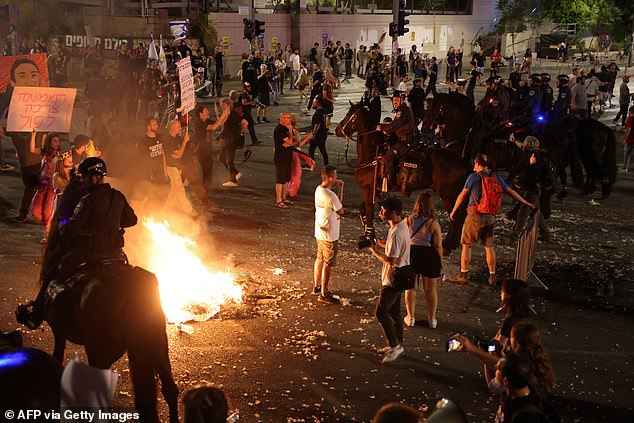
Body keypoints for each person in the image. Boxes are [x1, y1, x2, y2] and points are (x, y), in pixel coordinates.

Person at [448, 154, 535, 286]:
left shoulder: (473, 177)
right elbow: (511, 191)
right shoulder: (496, 177)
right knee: (489, 247)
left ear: (477, 163)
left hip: (475, 216)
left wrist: (454, 211)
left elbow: (463, 195)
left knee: (466, 245)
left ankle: (463, 275)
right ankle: (492, 276)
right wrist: (526, 202)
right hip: (490, 217)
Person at [61, 157, 137, 274]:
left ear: (96, 177)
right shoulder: (118, 196)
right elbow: (132, 220)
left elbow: (71, 230)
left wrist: (63, 226)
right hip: (116, 254)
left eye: (85, 177)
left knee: (62, 268)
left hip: (90, 254)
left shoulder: (88, 200)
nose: (83, 181)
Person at [367, 196, 410, 364]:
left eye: (383, 210)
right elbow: (395, 248)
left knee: (381, 312)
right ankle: (398, 344)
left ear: (392, 212)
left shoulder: (397, 232)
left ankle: (395, 346)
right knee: (395, 312)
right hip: (402, 275)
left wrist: (372, 250)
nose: (380, 212)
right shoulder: (401, 226)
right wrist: (380, 243)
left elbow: (390, 260)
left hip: (393, 278)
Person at [403, 192, 443, 329]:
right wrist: (440, 263)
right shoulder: (433, 224)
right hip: (428, 256)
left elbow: (402, 238)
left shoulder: (408, 220)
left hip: (411, 254)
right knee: (430, 290)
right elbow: (438, 246)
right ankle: (432, 319)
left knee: (411, 288)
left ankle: (410, 317)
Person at [313, 165, 344, 304]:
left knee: (319, 258)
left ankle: (316, 287)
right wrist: (341, 189)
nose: (337, 178)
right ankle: (324, 294)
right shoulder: (331, 196)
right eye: (335, 176)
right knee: (328, 263)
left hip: (320, 231)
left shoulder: (319, 190)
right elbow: (340, 210)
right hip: (330, 234)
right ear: (331, 178)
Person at [377, 92, 416, 187]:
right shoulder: (401, 110)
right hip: (403, 139)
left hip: (405, 141)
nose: (395, 102)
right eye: (394, 100)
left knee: (389, 157)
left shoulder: (402, 111)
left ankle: (392, 182)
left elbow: (396, 124)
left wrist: (382, 128)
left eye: (397, 100)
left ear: (402, 100)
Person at [29, 131, 61, 229]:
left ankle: (48, 231)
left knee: (48, 210)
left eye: (58, 141)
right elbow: (32, 150)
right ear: (49, 142)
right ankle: (49, 225)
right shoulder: (44, 152)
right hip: (42, 184)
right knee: (36, 210)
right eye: (54, 141)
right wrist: (33, 135)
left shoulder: (60, 155)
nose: (57, 143)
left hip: (52, 185)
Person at [214, 98, 248, 187]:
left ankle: (233, 180)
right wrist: (218, 114)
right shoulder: (227, 114)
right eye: (221, 105)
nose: (221, 106)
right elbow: (221, 123)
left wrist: (240, 132)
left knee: (229, 160)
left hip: (231, 140)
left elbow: (245, 122)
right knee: (221, 158)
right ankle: (235, 173)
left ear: (228, 105)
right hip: (226, 139)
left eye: (223, 105)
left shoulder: (232, 114)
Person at [163, 119, 195, 215]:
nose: (180, 129)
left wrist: (186, 137)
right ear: (171, 126)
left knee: (174, 190)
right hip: (172, 167)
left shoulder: (177, 138)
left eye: (180, 127)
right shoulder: (167, 139)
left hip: (179, 167)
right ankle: (189, 210)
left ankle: (166, 210)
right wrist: (184, 142)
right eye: (178, 127)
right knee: (180, 188)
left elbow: (183, 151)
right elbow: (179, 154)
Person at [273, 112, 295, 208]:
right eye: (287, 118)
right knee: (280, 180)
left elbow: (294, 141)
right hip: (281, 158)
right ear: (282, 118)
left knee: (286, 179)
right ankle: (278, 200)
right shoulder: (280, 129)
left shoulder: (287, 128)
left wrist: (290, 142)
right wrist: (290, 132)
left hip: (287, 156)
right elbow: (291, 141)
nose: (290, 119)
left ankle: (284, 197)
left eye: (289, 118)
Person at [304, 98, 329, 166]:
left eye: (314, 103)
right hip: (323, 133)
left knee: (311, 150)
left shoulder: (318, 113)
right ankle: (326, 164)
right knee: (322, 149)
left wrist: (313, 134)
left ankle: (311, 164)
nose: (313, 104)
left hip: (318, 135)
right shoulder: (322, 111)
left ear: (318, 104)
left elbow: (317, 125)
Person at [621, 106, 634, 172]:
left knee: (627, 153)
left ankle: (625, 167)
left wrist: (624, 139)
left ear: (631, 112)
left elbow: (628, 130)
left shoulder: (629, 119)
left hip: (630, 139)